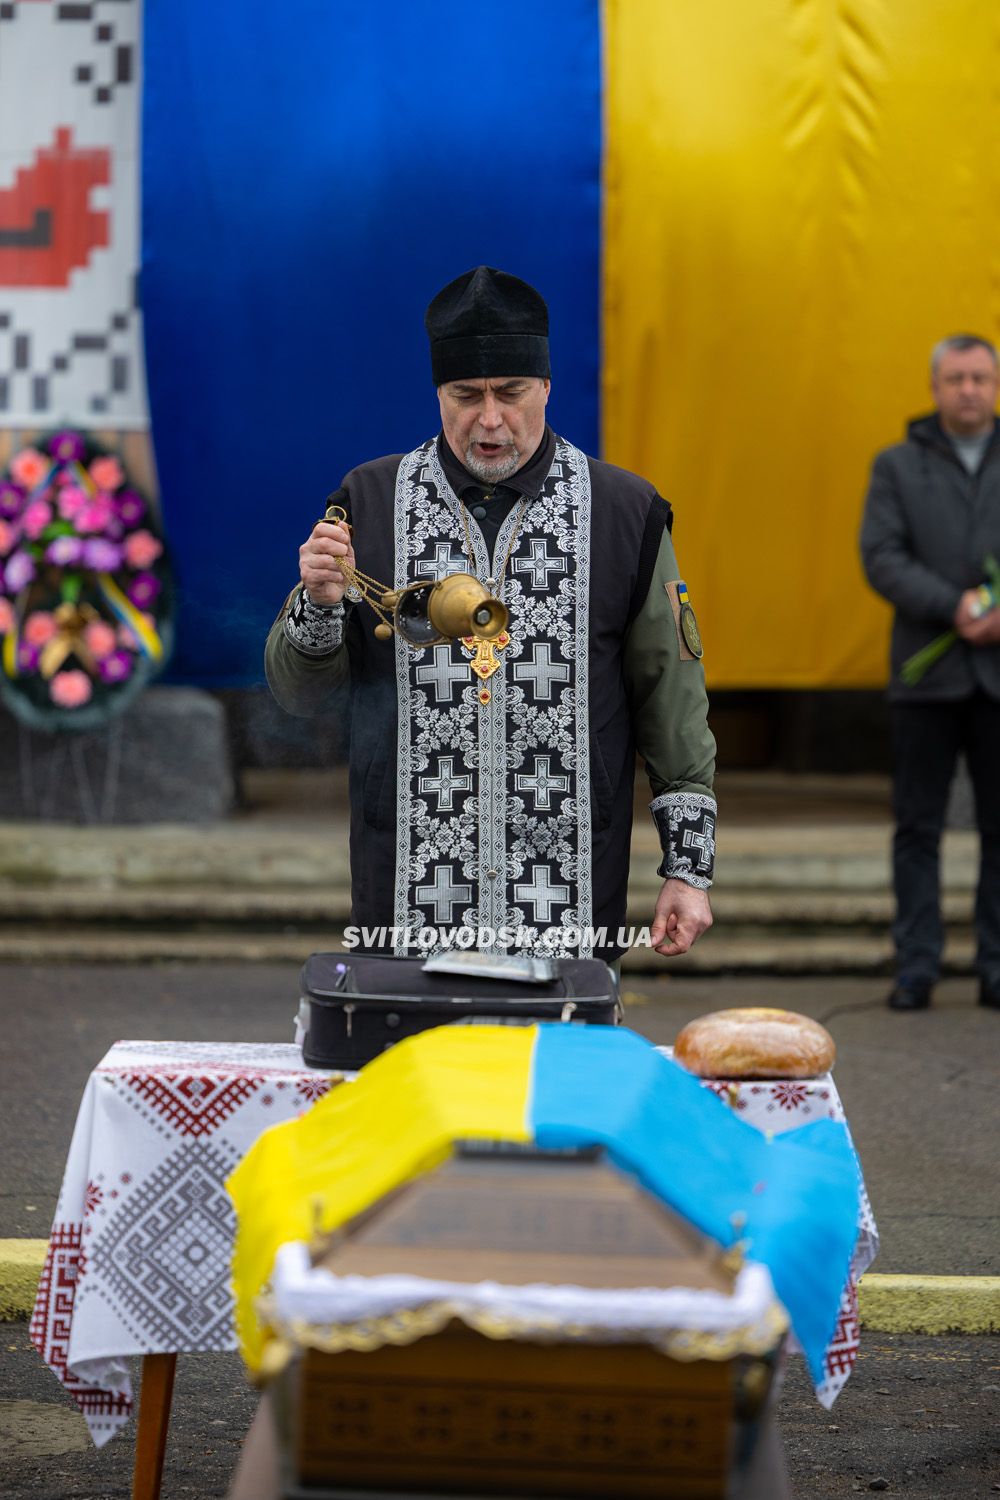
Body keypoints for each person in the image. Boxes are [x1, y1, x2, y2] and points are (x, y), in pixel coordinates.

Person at [266, 265, 716, 962]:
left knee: (555, 1071)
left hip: (569, 891)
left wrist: (687, 869)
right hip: (408, 895)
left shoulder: (625, 513)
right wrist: (319, 606)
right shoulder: (369, 502)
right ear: (437, 393)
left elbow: (671, 698)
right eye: (465, 395)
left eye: (511, 393)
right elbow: (299, 696)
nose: (490, 419)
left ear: (546, 387)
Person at [860, 332, 1000, 1011]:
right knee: (918, 826)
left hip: (998, 676)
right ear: (935, 386)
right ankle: (917, 965)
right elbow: (881, 555)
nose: (968, 390)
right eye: (956, 379)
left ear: (995, 385)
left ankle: (996, 965)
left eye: (980, 378)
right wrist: (956, 606)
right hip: (926, 682)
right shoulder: (897, 465)